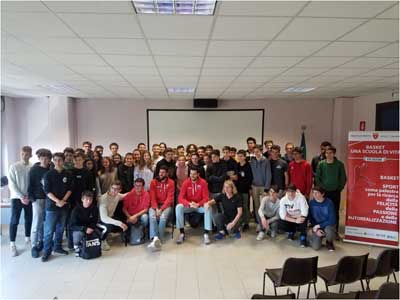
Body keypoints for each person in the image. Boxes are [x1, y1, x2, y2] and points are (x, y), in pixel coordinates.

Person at [42, 152, 73, 262]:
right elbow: (47, 191)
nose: (58, 162)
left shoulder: (68, 174)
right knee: (49, 230)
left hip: (64, 206)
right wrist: (57, 201)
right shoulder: (48, 174)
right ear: (53, 161)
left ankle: (58, 247)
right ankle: (47, 251)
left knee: (60, 229)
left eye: (60, 160)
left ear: (63, 161)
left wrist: (63, 200)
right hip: (52, 206)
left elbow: (70, 189)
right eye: (56, 160)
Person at [175, 167, 212, 245]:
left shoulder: (203, 182)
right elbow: (180, 198)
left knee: (208, 207)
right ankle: (181, 233)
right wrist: (189, 203)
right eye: (191, 174)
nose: (192, 176)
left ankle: (206, 234)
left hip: (199, 206)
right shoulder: (186, 182)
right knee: (178, 207)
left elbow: (206, 197)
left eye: (194, 174)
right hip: (189, 205)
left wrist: (198, 204)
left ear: (198, 174)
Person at [315, 146, 347, 234]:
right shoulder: (321, 164)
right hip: (324, 193)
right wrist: (322, 189)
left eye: (330, 153)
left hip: (335, 192)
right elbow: (317, 178)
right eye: (326, 153)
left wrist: (339, 188)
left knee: (335, 211)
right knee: (323, 211)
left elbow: (343, 178)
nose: (328, 155)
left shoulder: (339, 164)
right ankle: (322, 230)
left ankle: (334, 231)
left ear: (334, 154)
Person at [67, 152, 95, 250]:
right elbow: (68, 187)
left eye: (80, 159)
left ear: (83, 160)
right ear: (73, 160)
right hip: (72, 201)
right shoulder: (70, 172)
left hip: (85, 202)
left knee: (84, 221)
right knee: (71, 222)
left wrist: (88, 201)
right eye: (76, 160)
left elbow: (90, 188)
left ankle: (83, 241)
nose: (78, 161)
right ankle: (71, 244)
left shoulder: (87, 172)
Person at [9, 146, 33, 257]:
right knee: (14, 221)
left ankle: (28, 238)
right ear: (20, 153)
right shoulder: (14, 166)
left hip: (29, 198)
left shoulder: (32, 167)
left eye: (27, 153)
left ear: (31, 154)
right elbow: (12, 184)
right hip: (16, 198)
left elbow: (33, 183)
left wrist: (27, 196)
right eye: (23, 153)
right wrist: (21, 197)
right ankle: (12, 244)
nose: (25, 155)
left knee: (29, 219)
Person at [28, 148, 52, 258]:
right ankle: (33, 246)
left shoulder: (51, 170)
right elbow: (29, 186)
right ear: (39, 158)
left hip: (49, 199)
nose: (44, 160)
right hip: (37, 199)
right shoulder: (34, 170)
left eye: (47, 158)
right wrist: (33, 200)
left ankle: (41, 242)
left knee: (46, 223)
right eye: (42, 158)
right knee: (37, 222)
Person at [148, 166, 175, 251]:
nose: (161, 174)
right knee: (152, 217)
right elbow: (152, 197)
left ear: (167, 173)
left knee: (163, 218)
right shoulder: (153, 182)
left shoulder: (171, 182)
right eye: (160, 172)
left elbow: (169, 198)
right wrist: (156, 209)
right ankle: (155, 238)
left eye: (163, 172)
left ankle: (159, 239)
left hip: (166, 205)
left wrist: (161, 209)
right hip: (154, 205)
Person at [98, 181, 128, 251]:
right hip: (99, 220)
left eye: (117, 189)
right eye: (113, 188)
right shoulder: (103, 199)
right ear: (110, 188)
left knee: (124, 222)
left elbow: (125, 195)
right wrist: (119, 223)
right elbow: (104, 218)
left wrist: (137, 190)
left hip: (110, 217)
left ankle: (112, 234)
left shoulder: (117, 196)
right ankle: (102, 240)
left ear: (120, 190)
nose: (114, 190)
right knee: (109, 226)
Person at [70, 190, 100, 257]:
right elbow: (72, 226)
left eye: (90, 199)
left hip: (90, 228)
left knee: (99, 232)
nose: (88, 201)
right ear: (82, 199)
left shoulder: (95, 209)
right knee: (77, 234)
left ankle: (95, 248)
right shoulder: (76, 210)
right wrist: (84, 229)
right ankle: (76, 248)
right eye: (86, 199)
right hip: (80, 228)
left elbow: (95, 221)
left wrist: (91, 228)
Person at [308, 186, 336, 251]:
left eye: (317, 193)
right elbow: (311, 218)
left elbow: (332, 220)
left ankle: (329, 242)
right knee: (316, 247)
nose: (314, 195)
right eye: (313, 193)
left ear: (322, 194)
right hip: (316, 226)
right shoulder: (311, 203)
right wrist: (316, 229)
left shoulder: (329, 203)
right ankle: (309, 237)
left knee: (329, 232)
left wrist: (319, 226)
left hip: (327, 225)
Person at [123, 178, 150, 245]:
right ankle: (133, 233)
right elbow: (124, 209)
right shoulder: (129, 194)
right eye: (136, 185)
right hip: (131, 216)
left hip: (140, 215)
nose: (137, 187)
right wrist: (130, 217)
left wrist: (135, 216)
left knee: (145, 217)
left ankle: (144, 230)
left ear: (143, 186)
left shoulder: (146, 194)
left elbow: (146, 209)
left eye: (139, 186)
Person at [250, 144, 272, 227]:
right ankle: (259, 223)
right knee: (256, 206)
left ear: (261, 151)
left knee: (264, 206)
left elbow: (268, 175)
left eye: (258, 151)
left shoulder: (266, 161)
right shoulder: (252, 161)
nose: (256, 153)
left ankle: (265, 223)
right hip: (254, 186)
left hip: (263, 187)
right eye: (255, 152)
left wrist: (267, 188)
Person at [235, 150, 253, 231]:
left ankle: (246, 223)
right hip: (237, 190)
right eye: (238, 156)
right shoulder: (237, 165)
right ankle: (240, 221)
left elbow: (250, 178)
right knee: (239, 206)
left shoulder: (248, 165)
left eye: (241, 156)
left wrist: (249, 188)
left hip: (245, 190)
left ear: (245, 157)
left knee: (245, 206)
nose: (240, 158)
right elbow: (236, 177)